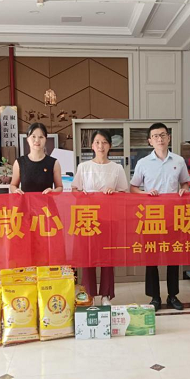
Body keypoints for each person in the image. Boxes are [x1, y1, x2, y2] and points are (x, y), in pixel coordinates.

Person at [130, 123, 190, 311]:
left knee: (173, 257)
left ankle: (173, 295)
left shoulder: (179, 160)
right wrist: (146, 194)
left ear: (169, 138)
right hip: (151, 217)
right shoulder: (143, 163)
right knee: (152, 258)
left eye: (163, 135)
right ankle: (154, 297)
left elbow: (185, 183)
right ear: (150, 141)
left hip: (173, 216)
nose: (160, 139)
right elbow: (133, 188)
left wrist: (183, 190)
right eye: (155, 136)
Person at [71, 130, 129, 306]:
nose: (100, 146)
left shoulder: (117, 168)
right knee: (88, 256)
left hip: (109, 219)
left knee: (107, 257)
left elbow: (124, 192)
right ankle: (89, 294)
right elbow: (75, 190)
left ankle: (105, 295)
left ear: (110, 146)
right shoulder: (83, 167)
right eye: (97, 142)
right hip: (88, 218)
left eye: (104, 142)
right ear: (92, 146)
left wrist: (113, 193)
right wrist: (84, 195)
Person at [10, 122, 63, 194]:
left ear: (45, 139)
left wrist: (53, 191)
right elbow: (13, 185)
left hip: (47, 201)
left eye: (41, 137)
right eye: (33, 136)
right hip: (26, 201)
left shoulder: (54, 163)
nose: (37, 140)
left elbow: (59, 187)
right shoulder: (19, 162)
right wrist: (15, 190)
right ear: (27, 139)